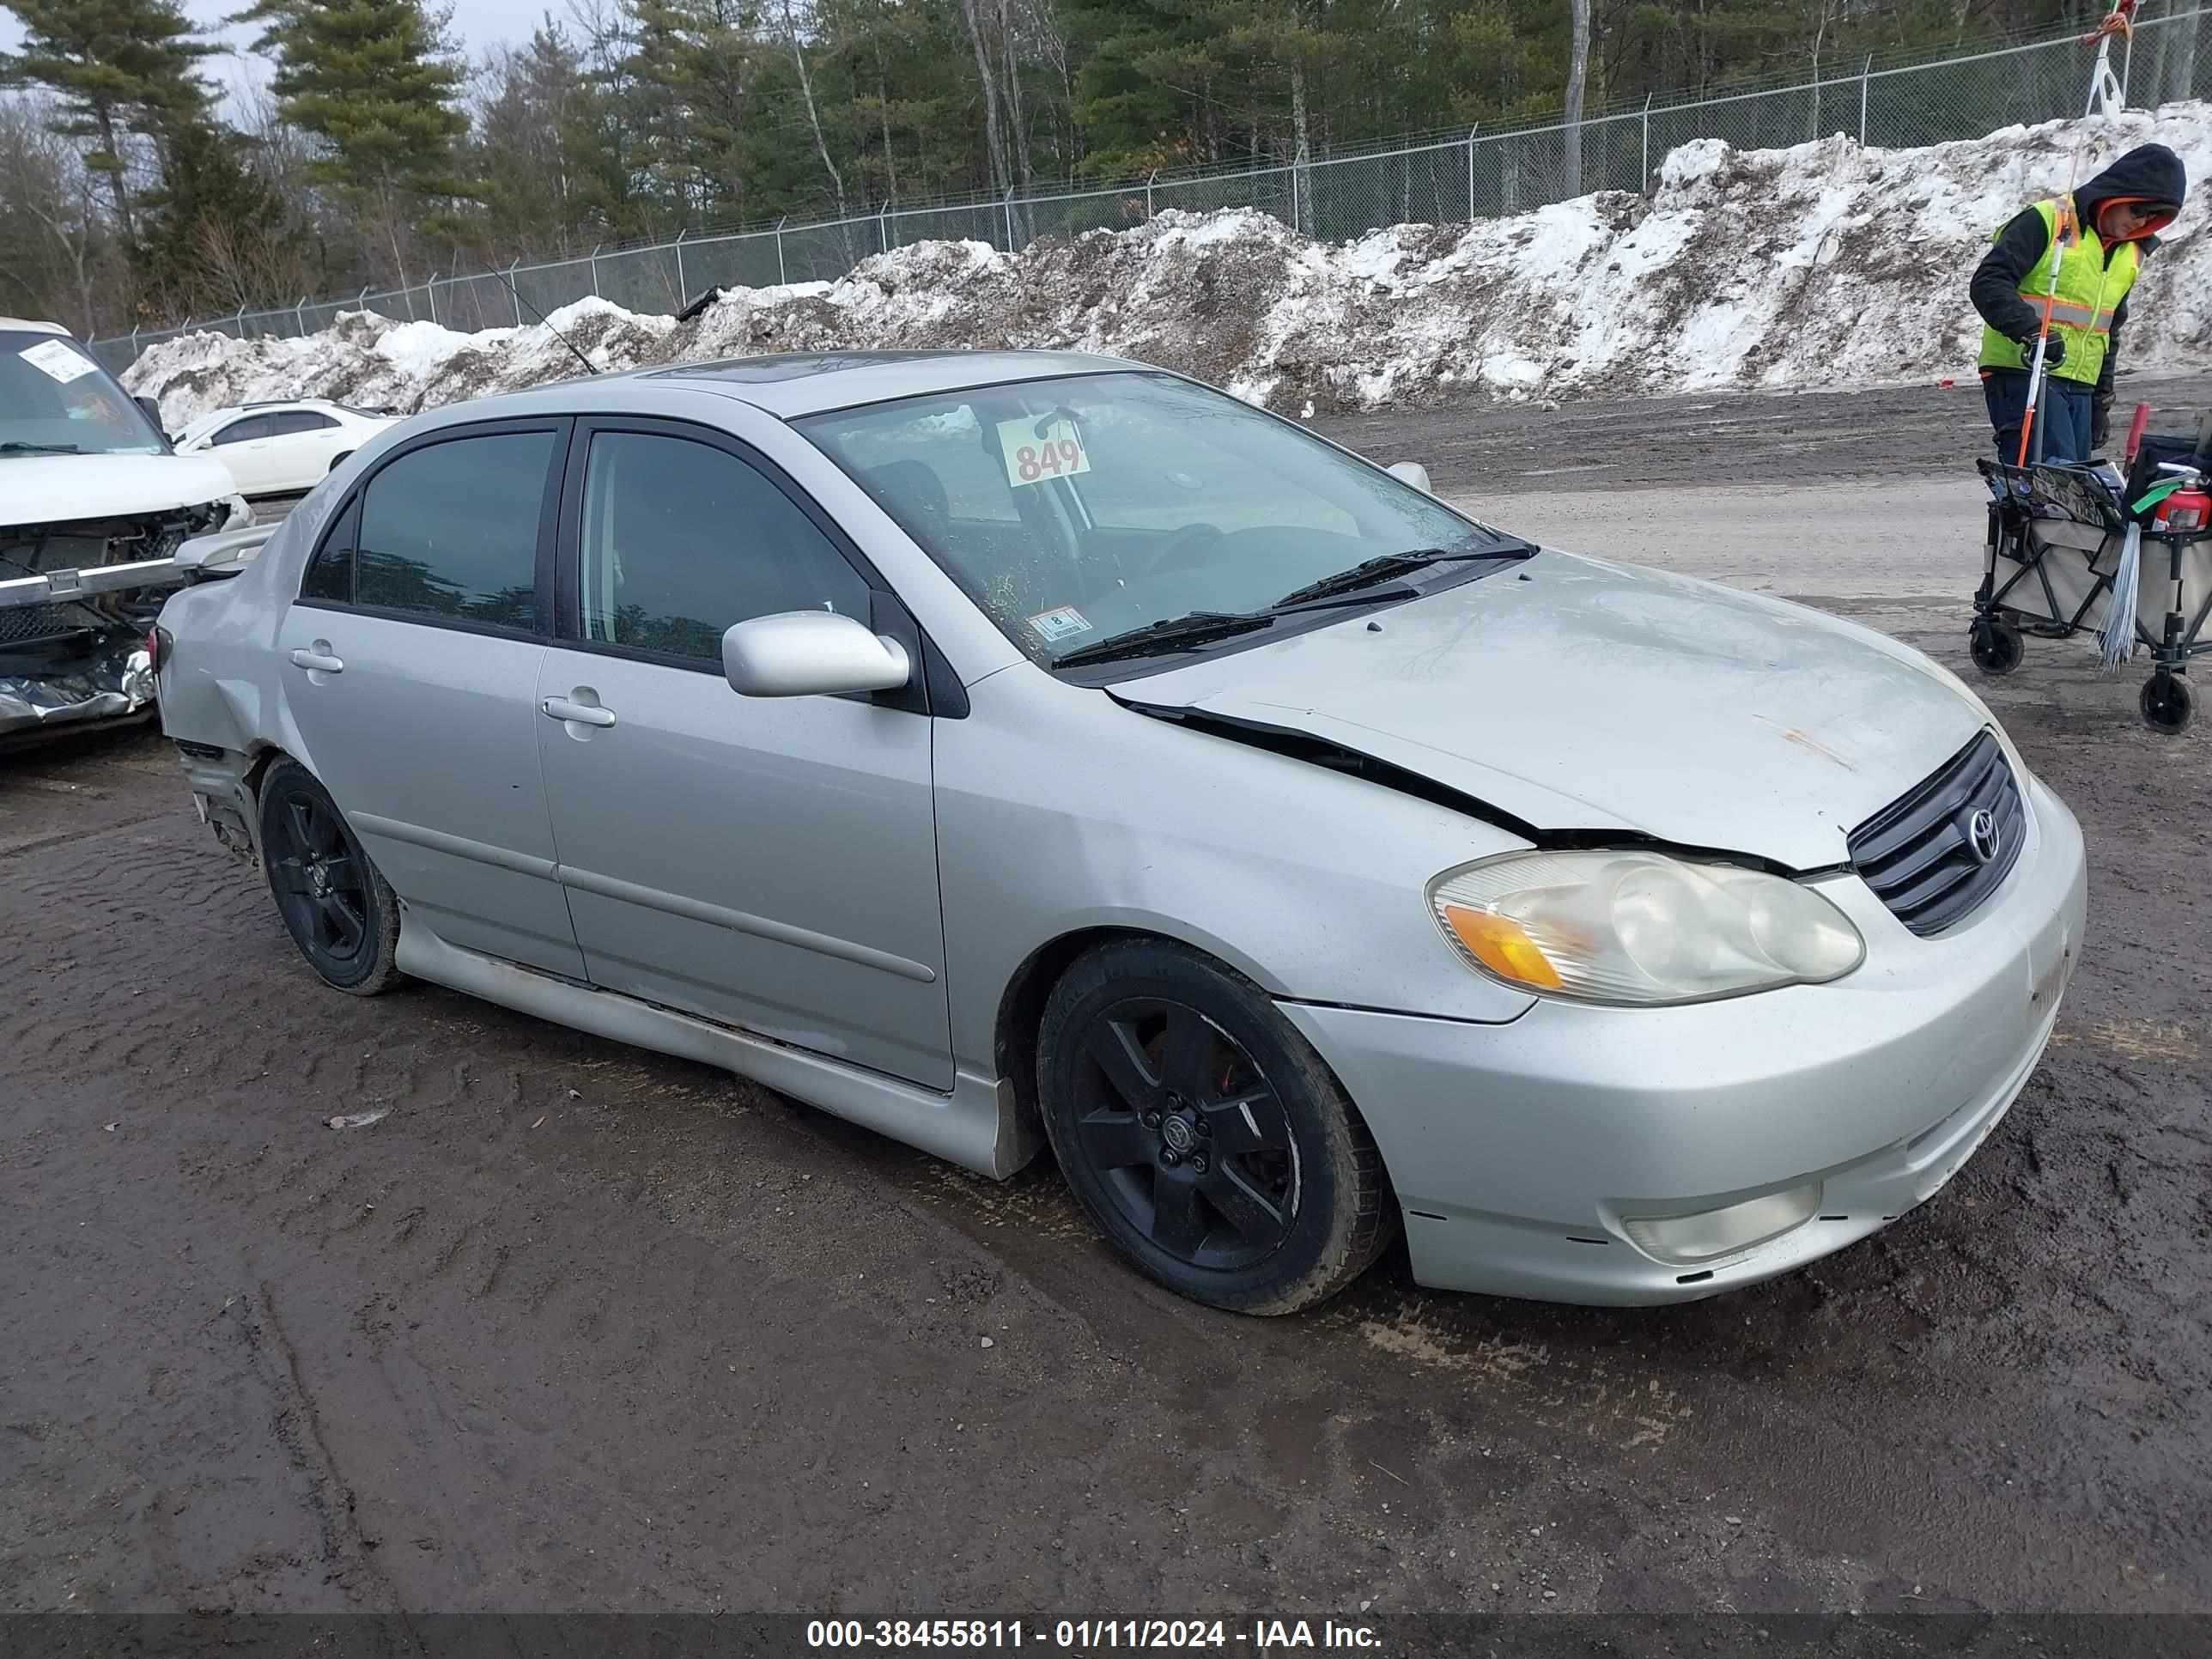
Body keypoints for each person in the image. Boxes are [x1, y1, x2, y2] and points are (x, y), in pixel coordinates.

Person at [1972, 143, 2185, 465]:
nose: (2141, 222)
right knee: (2052, 486)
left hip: (2080, 385)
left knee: (2078, 494)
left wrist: (2101, 399)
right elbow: (1989, 281)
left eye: (2154, 217)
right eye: (2139, 210)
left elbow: (2109, 330)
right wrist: (2032, 332)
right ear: (2119, 195)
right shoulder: (2050, 220)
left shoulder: (2130, 253)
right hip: (2025, 371)